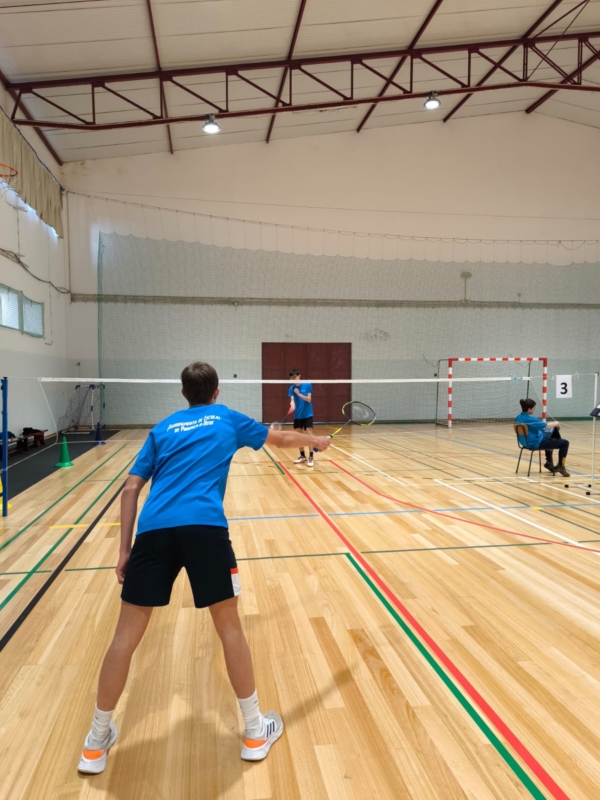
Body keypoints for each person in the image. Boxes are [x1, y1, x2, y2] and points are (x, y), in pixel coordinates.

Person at [78, 361, 330, 775]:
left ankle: (95, 742)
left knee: (124, 638)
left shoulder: (163, 428)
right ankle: (255, 732)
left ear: (184, 394)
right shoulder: (227, 418)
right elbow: (281, 438)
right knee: (229, 628)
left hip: (153, 532)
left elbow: (130, 488)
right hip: (205, 530)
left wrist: (124, 551)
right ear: (216, 392)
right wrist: (316, 441)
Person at [515, 398, 570, 477]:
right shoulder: (530, 419)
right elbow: (546, 426)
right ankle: (561, 465)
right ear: (529, 409)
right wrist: (556, 423)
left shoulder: (518, 417)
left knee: (550, 437)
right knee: (565, 443)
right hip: (535, 443)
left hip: (525, 443)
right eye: (533, 408)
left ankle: (549, 462)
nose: (534, 410)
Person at [287, 369, 315, 467]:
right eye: (291, 378)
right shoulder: (291, 388)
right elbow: (292, 400)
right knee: (298, 436)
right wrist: (292, 404)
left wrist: (299, 394)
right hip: (298, 415)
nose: (293, 380)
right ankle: (302, 456)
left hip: (307, 414)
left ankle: (311, 457)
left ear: (299, 376)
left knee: (309, 434)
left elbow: (308, 399)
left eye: (294, 377)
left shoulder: (307, 385)